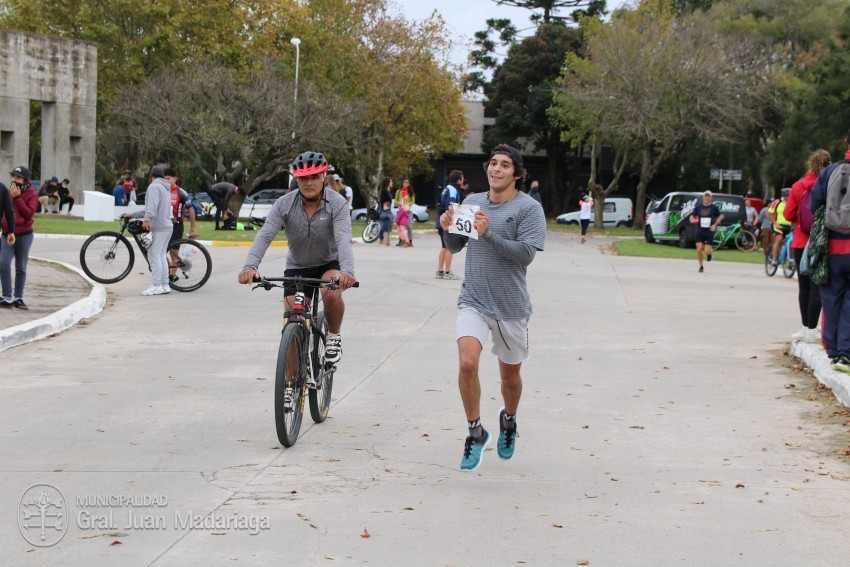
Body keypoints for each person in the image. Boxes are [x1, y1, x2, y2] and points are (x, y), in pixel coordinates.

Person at [439, 144, 546, 471]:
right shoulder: (471, 202)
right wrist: (447, 229)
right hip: (473, 300)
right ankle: (475, 432)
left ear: (517, 173)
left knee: (510, 378)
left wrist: (488, 235)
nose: (496, 169)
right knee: (468, 364)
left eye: (504, 165)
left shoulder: (528, 209)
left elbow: (526, 254)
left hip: (511, 307)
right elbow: (456, 245)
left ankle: (509, 420)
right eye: (493, 164)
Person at [238, 151, 355, 365]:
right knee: (293, 321)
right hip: (297, 267)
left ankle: (334, 336)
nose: (308, 183)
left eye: (314, 177)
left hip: (328, 263)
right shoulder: (284, 204)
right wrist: (250, 266)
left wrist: (347, 271)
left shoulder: (337, 204)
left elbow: (343, 237)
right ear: (297, 179)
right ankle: (290, 388)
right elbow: (265, 234)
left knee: (330, 293)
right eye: (303, 178)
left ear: (323, 177)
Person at [810, 130, 850, 371]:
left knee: (832, 297)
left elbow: (815, 204)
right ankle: (847, 352)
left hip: (833, 248)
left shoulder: (830, 171)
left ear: (845, 142)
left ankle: (834, 350)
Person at [784, 149, 831, 343]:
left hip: (800, 241)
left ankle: (804, 327)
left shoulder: (797, 187)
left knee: (803, 286)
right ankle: (813, 328)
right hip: (821, 241)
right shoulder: (829, 184)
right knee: (817, 285)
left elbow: (787, 215)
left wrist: (801, 222)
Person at [0, 166, 37, 309]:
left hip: (24, 234)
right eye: (13, 177)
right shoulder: (6, 191)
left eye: (18, 177)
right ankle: (7, 296)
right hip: (7, 233)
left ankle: (19, 297)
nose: (14, 180)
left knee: (21, 266)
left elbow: (29, 214)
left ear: (25, 180)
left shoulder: (32, 194)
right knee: (3, 263)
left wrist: (18, 198)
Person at [140, 164, 173, 296]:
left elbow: (151, 206)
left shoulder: (154, 186)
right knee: (161, 256)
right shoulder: (165, 188)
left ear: (151, 176)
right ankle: (165, 285)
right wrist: (135, 214)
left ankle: (155, 285)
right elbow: (153, 207)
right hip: (167, 226)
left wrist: (147, 220)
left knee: (154, 256)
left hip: (158, 226)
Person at [163, 167, 197, 282]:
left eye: (169, 178)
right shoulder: (162, 190)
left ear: (175, 179)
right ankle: (165, 272)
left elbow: (191, 210)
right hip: (163, 226)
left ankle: (171, 277)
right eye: (165, 178)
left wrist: (193, 229)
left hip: (176, 226)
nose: (167, 180)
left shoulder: (180, 192)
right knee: (160, 253)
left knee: (174, 254)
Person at [436, 171, 464, 280]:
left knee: (444, 247)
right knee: (449, 247)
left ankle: (440, 271)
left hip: (440, 221)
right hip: (447, 222)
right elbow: (451, 206)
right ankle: (447, 272)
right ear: (459, 180)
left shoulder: (446, 188)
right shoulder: (453, 190)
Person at [689, 190, 724, 273]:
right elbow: (691, 216)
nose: (707, 198)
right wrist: (692, 220)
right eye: (705, 196)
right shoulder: (699, 207)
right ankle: (701, 266)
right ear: (703, 197)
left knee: (707, 250)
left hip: (709, 231)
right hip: (700, 230)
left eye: (708, 196)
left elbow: (720, 217)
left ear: (711, 198)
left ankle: (709, 254)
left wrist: (715, 225)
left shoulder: (714, 208)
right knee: (699, 249)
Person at [767, 188, 793, 265]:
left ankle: (791, 260)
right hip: (778, 225)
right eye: (785, 196)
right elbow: (769, 214)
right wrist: (775, 223)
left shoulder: (793, 202)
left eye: (789, 196)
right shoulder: (777, 202)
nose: (787, 198)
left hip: (789, 226)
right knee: (779, 239)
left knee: (792, 241)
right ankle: (774, 259)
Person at [394, 178, 414, 246]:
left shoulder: (410, 191)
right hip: (400, 209)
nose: (406, 184)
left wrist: (408, 204)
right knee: (400, 227)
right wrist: (399, 203)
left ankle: (410, 241)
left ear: (409, 183)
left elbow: (413, 201)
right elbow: (395, 200)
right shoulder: (399, 191)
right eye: (404, 182)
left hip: (408, 210)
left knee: (409, 226)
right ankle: (401, 240)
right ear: (402, 183)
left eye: (407, 182)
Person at [377, 177, 393, 247]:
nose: (392, 183)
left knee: (388, 225)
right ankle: (384, 241)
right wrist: (384, 210)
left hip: (388, 210)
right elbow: (382, 201)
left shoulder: (388, 191)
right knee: (385, 226)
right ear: (388, 183)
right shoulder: (384, 191)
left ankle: (387, 241)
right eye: (391, 181)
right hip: (385, 210)